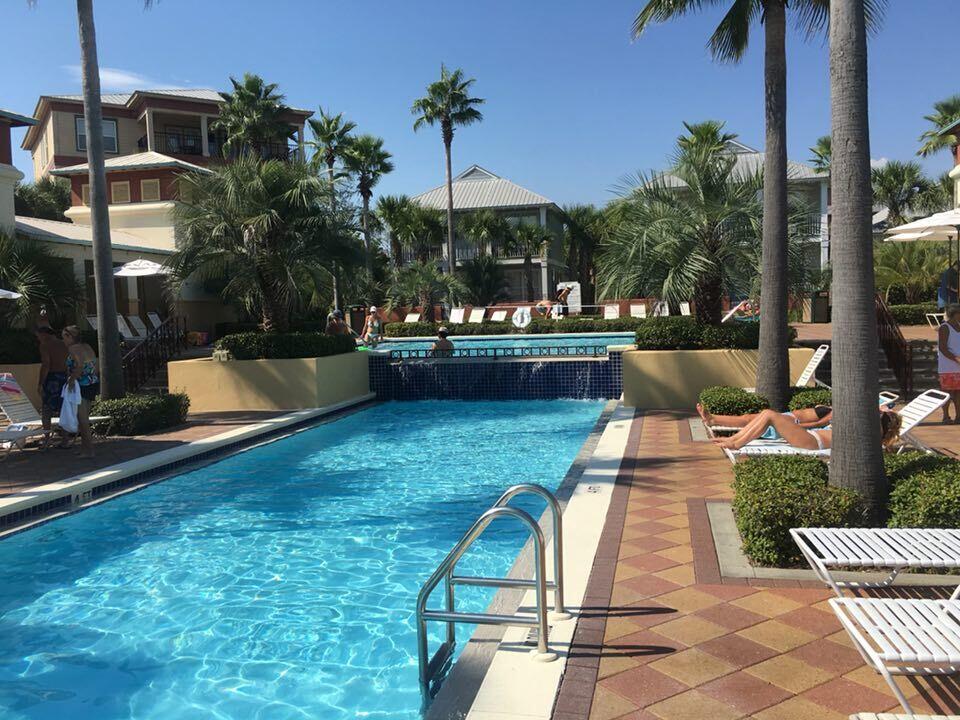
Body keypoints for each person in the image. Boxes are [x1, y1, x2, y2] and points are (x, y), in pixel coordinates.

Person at [713, 408, 901, 452]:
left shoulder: (873, 433)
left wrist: (880, 413)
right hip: (810, 437)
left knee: (770, 415)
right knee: (766, 414)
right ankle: (735, 439)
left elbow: (878, 426)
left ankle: (736, 442)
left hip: (812, 442)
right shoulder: (866, 430)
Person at [62, 325, 99, 458]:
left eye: (64, 337)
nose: (63, 341)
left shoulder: (73, 349)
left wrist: (71, 380)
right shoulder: (87, 346)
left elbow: (79, 366)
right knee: (84, 418)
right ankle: (84, 448)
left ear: (70, 337)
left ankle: (89, 451)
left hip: (81, 386)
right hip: (92, 384)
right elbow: (95, 365)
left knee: (83, 421)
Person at [34, 323, 69, 441]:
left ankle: (47, 439)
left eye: (38, 336)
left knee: (47, 409)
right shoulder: (64, 344)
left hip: (52, 378)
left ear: (44, 335)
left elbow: (46, 364)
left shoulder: (45, 345)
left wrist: (40, 383)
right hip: (64, 377)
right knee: (63, 409)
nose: (38, 339)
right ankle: (65, 439)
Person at [698, 403, 832, 430]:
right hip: (788, 416)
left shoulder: (838, 412)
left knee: (749, 420)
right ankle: (713, 419)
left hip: (792, 421)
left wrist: (797, 426)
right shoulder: (835, 408)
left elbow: (818, 424)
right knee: (748, 417)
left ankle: (713, 419)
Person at [937, 303, 960, 422]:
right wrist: (956, 359)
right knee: (946, 392)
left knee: (958, 392)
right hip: (947, 367)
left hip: (958, 367)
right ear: (955, 314)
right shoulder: (944, 327)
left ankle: (958, 416)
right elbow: (942, 347)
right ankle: (945, 416)